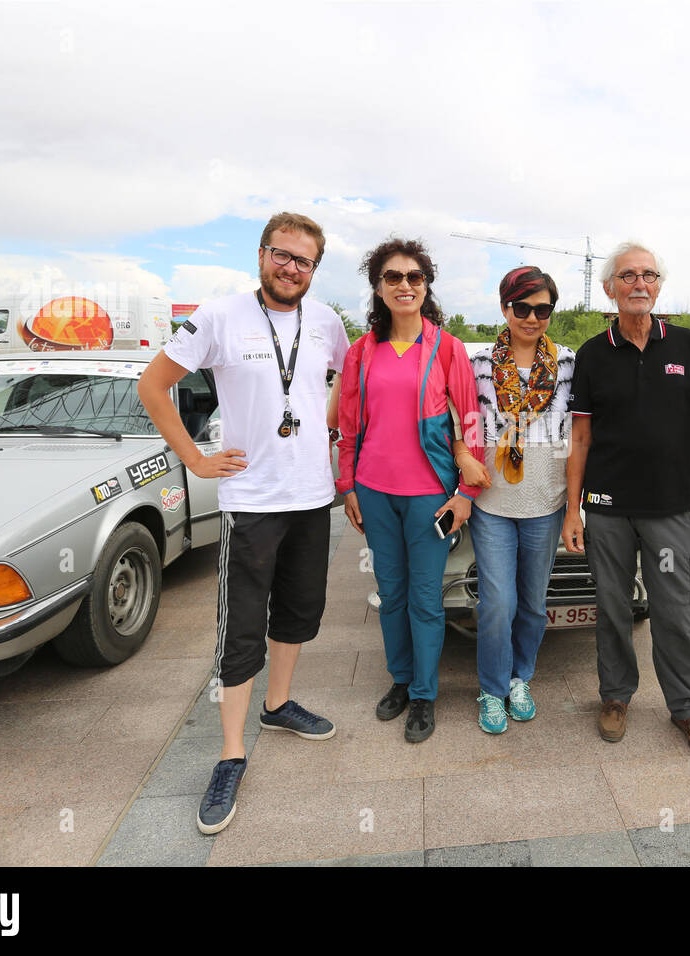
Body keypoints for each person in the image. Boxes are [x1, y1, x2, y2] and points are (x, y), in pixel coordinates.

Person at [138, 212, 349, 834]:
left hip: (312, 496)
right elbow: (154, 386)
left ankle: (278, 706)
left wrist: (325, 429)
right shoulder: (219, 316)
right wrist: (196, 459)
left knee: (301, 609)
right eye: (282, 255)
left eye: (304, 261)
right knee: (242, 623)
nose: (292, 268)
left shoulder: (327, 322)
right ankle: (231, 753)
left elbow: (338, 380)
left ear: (315, 269)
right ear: (261, 255)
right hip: (251, 499)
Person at [561, 241, 690, 762]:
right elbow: (581, 439)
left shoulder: (687, 345)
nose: (640, 283)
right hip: (607, 509)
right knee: (612, 609)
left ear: (659, 285)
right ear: (610, 288)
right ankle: (615, 697)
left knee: (676, 610)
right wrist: (574, 511)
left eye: (649, 275)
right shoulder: (592, 354)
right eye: (628, 275)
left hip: (669, 509)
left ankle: (686, 708)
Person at [336, 237, 485, 743]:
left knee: (426, 598)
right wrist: (347, 484)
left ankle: (424, 694)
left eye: (413, 277)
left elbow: (471, 421)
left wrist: (465, 492)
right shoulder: (362, 352)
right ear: (378, 287)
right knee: (392, 594)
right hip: (374, 492)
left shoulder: (447, 348)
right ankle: (399, 680)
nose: (404, 285)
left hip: (429, 497)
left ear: (426, 286)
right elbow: (350, 426)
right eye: (393, 277)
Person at [467, 266, 576, 734]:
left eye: (543, 309)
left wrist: (575, 505)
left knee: (533, 603)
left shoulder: (569, 362)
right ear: (505, 307)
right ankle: (491, 690)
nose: (532, 318)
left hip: (546, 503)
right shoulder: (479, 365)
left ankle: (519, 678)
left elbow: (581, 432)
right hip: (492, 503)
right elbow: (462, 426)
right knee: (497, 603)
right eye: (522, 308)